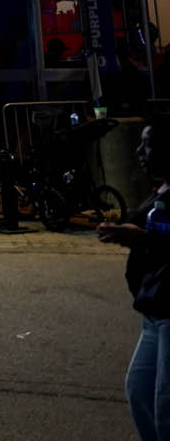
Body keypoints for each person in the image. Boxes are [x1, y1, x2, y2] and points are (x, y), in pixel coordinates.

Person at [99, 119, 170, 439]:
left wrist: (140, 239)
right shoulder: (162, 191)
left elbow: (156, 240)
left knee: (165, 404)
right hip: (154, 312)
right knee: (140, 391)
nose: (139, 152)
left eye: (148, 144)